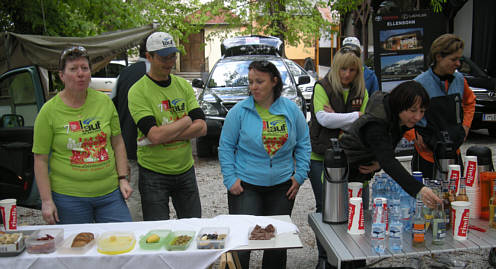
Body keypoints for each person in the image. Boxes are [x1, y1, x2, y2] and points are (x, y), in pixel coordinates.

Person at [218, 60, 311, 268]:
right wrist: (230, 179)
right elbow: (225, 147)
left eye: (259, 81)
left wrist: (300, 175)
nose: (253, 87)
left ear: (274, 81)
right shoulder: (239, 112)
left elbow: (304, 143)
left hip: (282, 186)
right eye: (250, 82)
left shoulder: (291, 110)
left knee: (277, 244)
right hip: (246, 186)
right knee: (243, 242)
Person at [32, 46, 133, 224]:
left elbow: (117, 143)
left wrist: (122, 178)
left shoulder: (104, 102)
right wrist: (47, 201)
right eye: (73, 69)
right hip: (69, 198)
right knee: (76, 248)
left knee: (123, 241)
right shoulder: (48, 111)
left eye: (84, 68)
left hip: (109, 194)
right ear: (61, 75)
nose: (80, 74)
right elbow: (40, 159)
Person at [127, 32, 206, 221]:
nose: (170, 62)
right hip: (154, 173)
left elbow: (202, 127)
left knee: (193, 226)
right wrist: (186, 121)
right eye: (163, 58)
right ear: (149, 57)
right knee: (158, 231)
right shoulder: (138, 91)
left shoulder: (183, 85)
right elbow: (154, 135)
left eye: (173, 56)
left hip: (185, 170)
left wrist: (164, 135)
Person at [308, 47, 368, 269]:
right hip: (320, 156)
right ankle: (326, 258)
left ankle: (354, 254)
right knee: (325, 208)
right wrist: (355, 116)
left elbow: (366, 121)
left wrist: (339, 117)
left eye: (352, 70)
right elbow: (323, 119)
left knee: (355, 205)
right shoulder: (321, 86)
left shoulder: (361, 89)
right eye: (343, 69)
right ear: (335, 68)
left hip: (352, 156)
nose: (347, 74)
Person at [340, 80, 443, 207]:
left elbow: (385, 154)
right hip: (340, 177)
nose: (417, 117)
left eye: (422, 111)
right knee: (344, 220)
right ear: (399, 106)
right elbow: (388, 161)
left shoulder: (398, 117)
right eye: (413, 110)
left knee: (360, 215)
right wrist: (419, 189)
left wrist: (377, 163)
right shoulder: (376, 124)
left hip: (361, 176)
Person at [408, 34, 476, 178]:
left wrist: (466, 127)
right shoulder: (419, 83)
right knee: (426, 199)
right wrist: (412, 135)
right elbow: (399, 111)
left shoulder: (459, 79)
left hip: (454, 152)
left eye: (459, 59)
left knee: (456, 198)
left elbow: (470, 102)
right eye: (454, 59)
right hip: (427, 154)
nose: (458, 63)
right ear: (439, 57)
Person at [112, 40, 149, 221]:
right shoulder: (158, 73)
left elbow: (113, 108)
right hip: (155, 147)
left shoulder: (123, 75)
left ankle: (137, 233)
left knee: (134, 195)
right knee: (155, 196)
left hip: (129, 145)